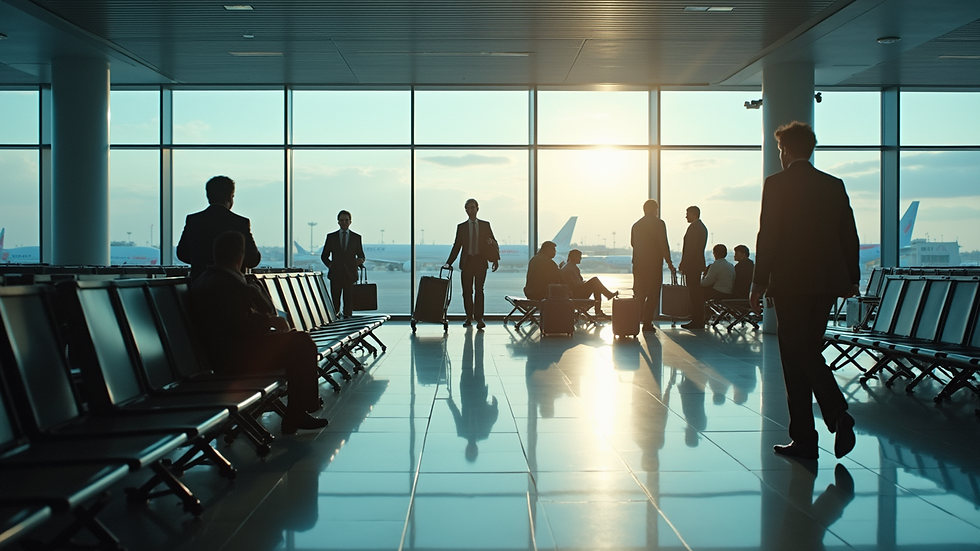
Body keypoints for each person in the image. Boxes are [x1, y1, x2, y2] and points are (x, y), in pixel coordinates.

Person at [750, 121, 860, 460]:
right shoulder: (833, 185)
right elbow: (849, 235)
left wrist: (758, 281)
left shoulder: (777, 184)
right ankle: (805, 438)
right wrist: (852, 278)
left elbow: (768, 233)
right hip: (826, 284)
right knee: (807, 351)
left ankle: (835, 415)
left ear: (785, 150)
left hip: (791, 284)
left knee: (795, 354)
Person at [190, 230, 328, 434]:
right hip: (234, 358)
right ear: (241, 257)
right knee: (301, 343)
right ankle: (300, 411)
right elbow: (245, 323)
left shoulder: (209, 279)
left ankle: (300, 410)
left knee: (298, 343)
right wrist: (270, 320)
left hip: (223, 354)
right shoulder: (227, 284)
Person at [176, 175, 261, 281]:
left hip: (200, 285)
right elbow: (253, 260)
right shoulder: (240, 222)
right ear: (230, 196)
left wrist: (201, 261)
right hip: (232, 286)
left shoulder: (193, 220)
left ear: (208, 195)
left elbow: (182, 253)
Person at [445, 198, 500, 329]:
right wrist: (449, 262)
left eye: (473, 207)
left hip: (481, 261)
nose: (471, 210)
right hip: (467, 262)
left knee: (479, 291)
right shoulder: (461, 227)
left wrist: (495, 259)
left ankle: (479, 318)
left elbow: (493, 243)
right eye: (468, 208)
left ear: (477, 208)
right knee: (467, 292)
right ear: (465, 210)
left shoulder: (485, 225)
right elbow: (457, 246)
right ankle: (469, 317)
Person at [631, 199, 675, 332]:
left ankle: (634, 322)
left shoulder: (636, 225)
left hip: (638, 265)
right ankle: (647, 323)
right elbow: (663, 244)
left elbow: (633, 243)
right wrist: (669, 262)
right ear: (655, 210)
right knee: (653, 294)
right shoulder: (659, 224)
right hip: (653, 265)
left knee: (639, 294)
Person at [320, 210, 365, 318]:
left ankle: (348, 325)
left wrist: (359, 261)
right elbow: (324, 256)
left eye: (346, 220)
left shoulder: (356, 237)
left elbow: (362, 255)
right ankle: (335, 324)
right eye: (341, 220)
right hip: (336, 274)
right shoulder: (331, 237)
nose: (344, 222)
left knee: (348, 303)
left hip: (350, 274)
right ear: (338, 222)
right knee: (335, 302)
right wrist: (331, 265)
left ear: (350, 222)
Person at [560, 249, 618, 316]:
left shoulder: (570, 266)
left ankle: (599, 310)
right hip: (576, 294)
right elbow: (576, 284)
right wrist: (586, 282)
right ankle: (605, 299)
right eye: (578, 257)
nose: (580, 259)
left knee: (596, 286)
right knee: (595, 281)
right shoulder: (569, 268)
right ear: (572, 257)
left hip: (575, 292)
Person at [679, 205, 708, 329]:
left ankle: (696, 320)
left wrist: (683, 263)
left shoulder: (695, 228)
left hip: (692, 266)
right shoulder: (701, 227)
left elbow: (690, 249)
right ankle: (697, 319)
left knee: (694, 293)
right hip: (696, 265)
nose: (686, 216)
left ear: (693, 214)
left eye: (687, 214)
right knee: (695, 293)